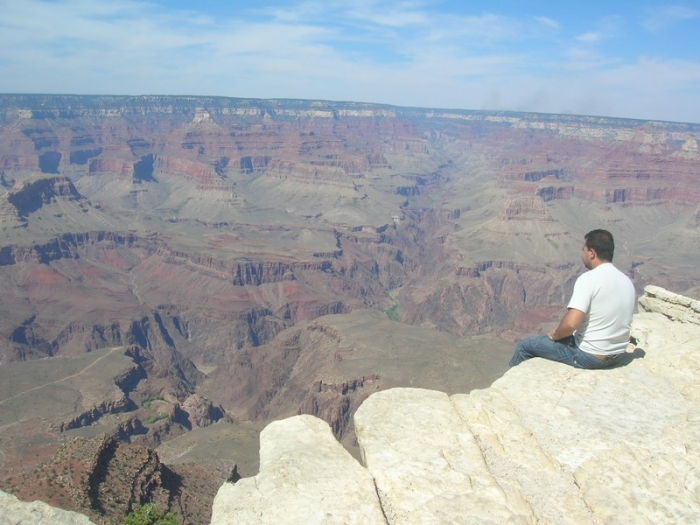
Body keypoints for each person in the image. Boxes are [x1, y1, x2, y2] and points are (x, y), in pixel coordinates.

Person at [510, 229, 636, 369]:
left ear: (592, 253)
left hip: (590, 357)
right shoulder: (626, 281)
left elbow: (571, 324)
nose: (581, 254)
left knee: (525, 346)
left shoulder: (589, 279)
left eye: (583, 250)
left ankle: (509, 389)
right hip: (618, 356)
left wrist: (556, 336)